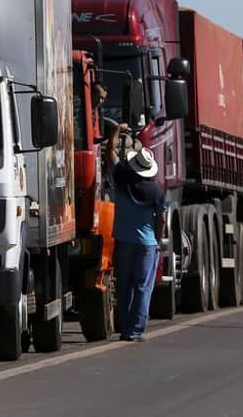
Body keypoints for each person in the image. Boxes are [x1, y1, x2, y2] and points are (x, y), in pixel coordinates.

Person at [108, 122, 166, 342]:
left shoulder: (121, 178)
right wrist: (158, 240)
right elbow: (161, 218)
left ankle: (124, 328)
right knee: (143, 287)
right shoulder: (156, 191)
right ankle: (136, 329)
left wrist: (116, 131)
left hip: (123, 241)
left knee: (124, 285)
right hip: (146, 245)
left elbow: (110, 152)